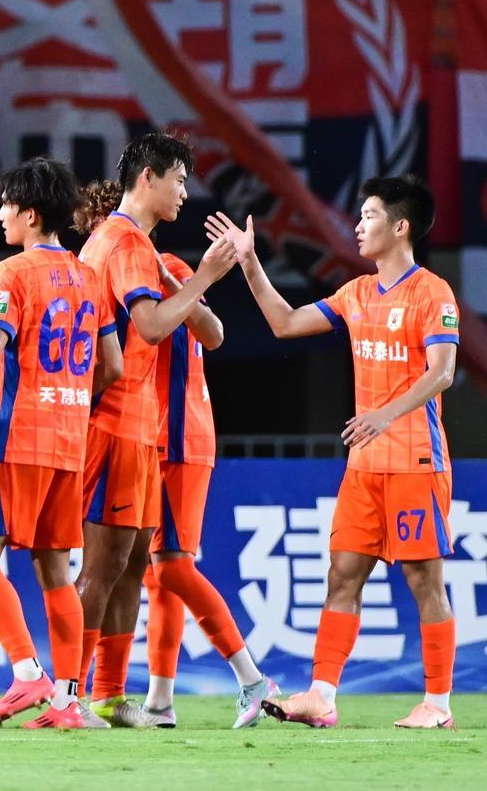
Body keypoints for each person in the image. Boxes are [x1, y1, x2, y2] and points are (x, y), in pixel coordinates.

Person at [211, 175, 459, 730]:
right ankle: (322, 695)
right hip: (364, 466)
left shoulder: (433, 293)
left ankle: (438, 704)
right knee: (342, 577)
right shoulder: (356, 293)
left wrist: (384, 414)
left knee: (425, 582)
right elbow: (284, 323)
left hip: (416, 460)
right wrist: (250, 263)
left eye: (369, 216)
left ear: (401, 227)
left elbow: (442, 373)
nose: (358, 226)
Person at [0, 157, 123, 729]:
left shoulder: (13, 272)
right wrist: (70, 396)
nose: (0, 215)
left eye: (7, 205)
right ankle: (67, 702)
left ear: (31, 214)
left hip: (19, 439)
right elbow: (113, 365)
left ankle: (26, 672)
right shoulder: (90, 276)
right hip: (69, 441)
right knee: (54, 570)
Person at [71, 133, 237, 727]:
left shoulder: (125, 241)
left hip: (141, 426)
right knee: (102, 567)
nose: (185, 193)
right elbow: (149, 327)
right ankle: (69, 693)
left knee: (132, 564)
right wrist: (204, 277)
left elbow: (197, 332)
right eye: (180, 180)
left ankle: (108, 695)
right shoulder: (124, 241)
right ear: (148, 177)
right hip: (112, 423)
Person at [140, 252, 278, 729]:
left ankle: (252, 679)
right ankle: (160, 701)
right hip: (151, 434)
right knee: (158, 575)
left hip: (177, 433)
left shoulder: (163, 265)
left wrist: (170, 280)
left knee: (173, 567)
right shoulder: (116, 263)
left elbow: (214, 333)